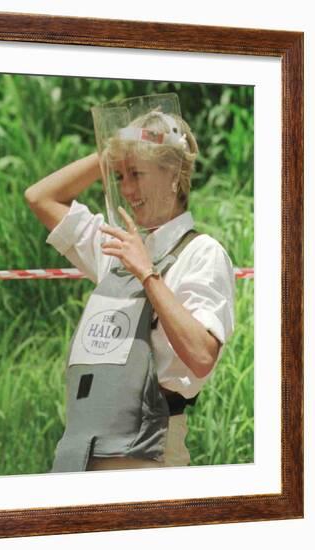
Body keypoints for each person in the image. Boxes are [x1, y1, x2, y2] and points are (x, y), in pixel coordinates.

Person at [25, 93, 235, 472]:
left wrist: (148, 275)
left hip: (149, 455)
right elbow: (40, 197)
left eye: (136, 174)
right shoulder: (119, 247)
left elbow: (202, 357)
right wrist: (113, 152)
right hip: (83, 451)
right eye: (119, 177)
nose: (126, 189)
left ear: (173, 176)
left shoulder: (203, 254)